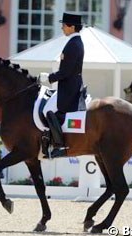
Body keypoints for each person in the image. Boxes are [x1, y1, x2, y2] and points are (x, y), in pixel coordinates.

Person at [39, 12, 84, 158]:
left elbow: (65, 72)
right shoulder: (74, 42)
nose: (62, 28)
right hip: (70, 85)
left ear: (71, 27)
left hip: (69, 88)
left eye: (64, 25)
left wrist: (49, 78)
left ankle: (59, 144)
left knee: (47, 110)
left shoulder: (73, 45)